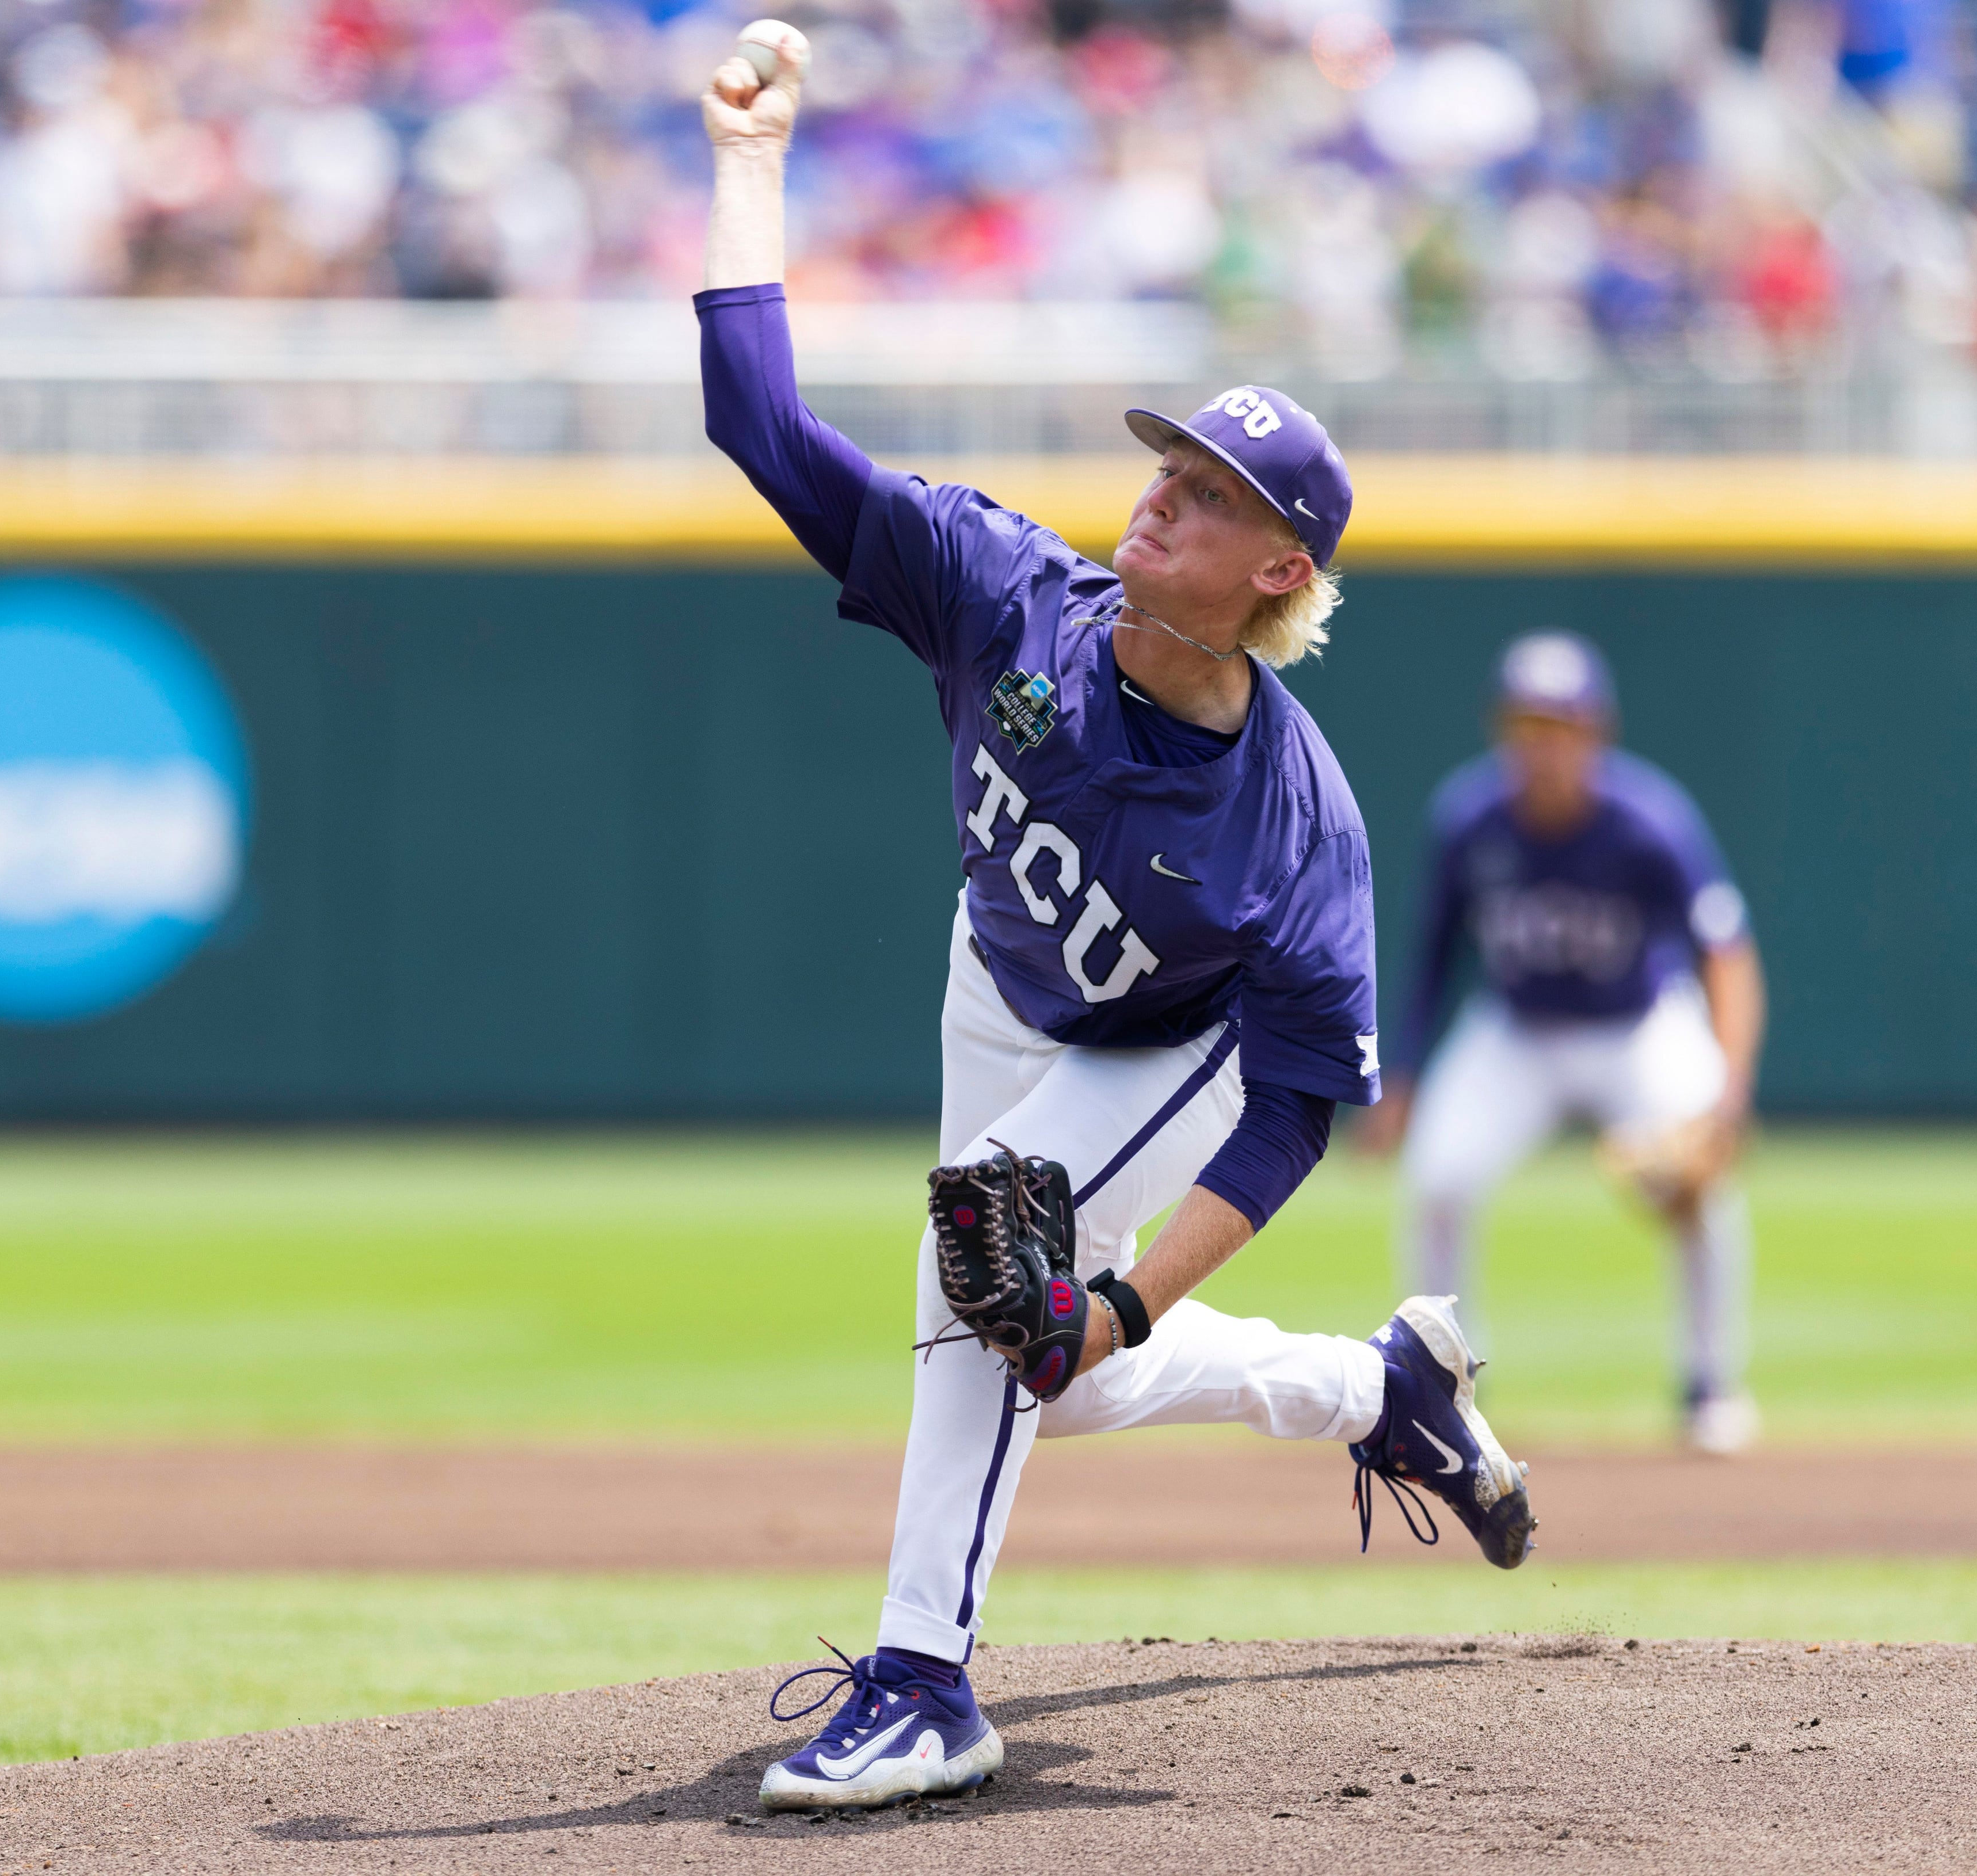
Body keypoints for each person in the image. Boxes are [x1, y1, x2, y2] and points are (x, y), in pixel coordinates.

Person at [696, 20, 1536, 1815]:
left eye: (1213, 493)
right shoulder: (1006, 593)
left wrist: (1135, 1297)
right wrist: (750, 169)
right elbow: (756, 424)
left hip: (1183, 1052)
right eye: (1169, 463)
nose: (1163, 487)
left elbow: (1305, 1102)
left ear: (1278, 571)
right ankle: (1378, 1384)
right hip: (997, 990)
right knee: (1033, 1369)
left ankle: (926, 1676)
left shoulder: (1297, 828)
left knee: (981, 1267)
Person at [1357, 632, 1768, 1455]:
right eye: (1526, 722)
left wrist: (1726, 1098)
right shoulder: (1470, 818)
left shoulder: (1648, 822)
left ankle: (1709, 1384)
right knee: (1438, 1179)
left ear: (1596, 732)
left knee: (1700, 1188)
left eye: (1561, 723)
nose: (1543, 742)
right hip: (1517, 1031)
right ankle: (1442, 1388)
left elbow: (1727, 954)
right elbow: (1435, 953)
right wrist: (1397, 1074)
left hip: (1638, 1027)